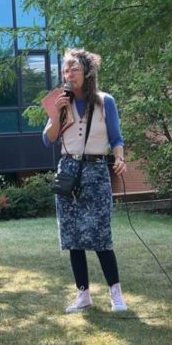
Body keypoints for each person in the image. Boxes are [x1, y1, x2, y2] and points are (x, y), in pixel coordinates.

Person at [43, 48, 129, 312]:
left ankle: (116, 294)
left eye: (74, 69)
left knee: (101, 233)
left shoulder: (105, 101)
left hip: (96, 169)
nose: (69, 74)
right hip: (68, 170)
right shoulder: (59, 100)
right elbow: (48, 138)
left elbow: (116, 138)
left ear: (87, 72)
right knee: (72, 236)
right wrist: (57, 114)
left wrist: (119, 157)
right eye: (65, 70)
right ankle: (83, 295)